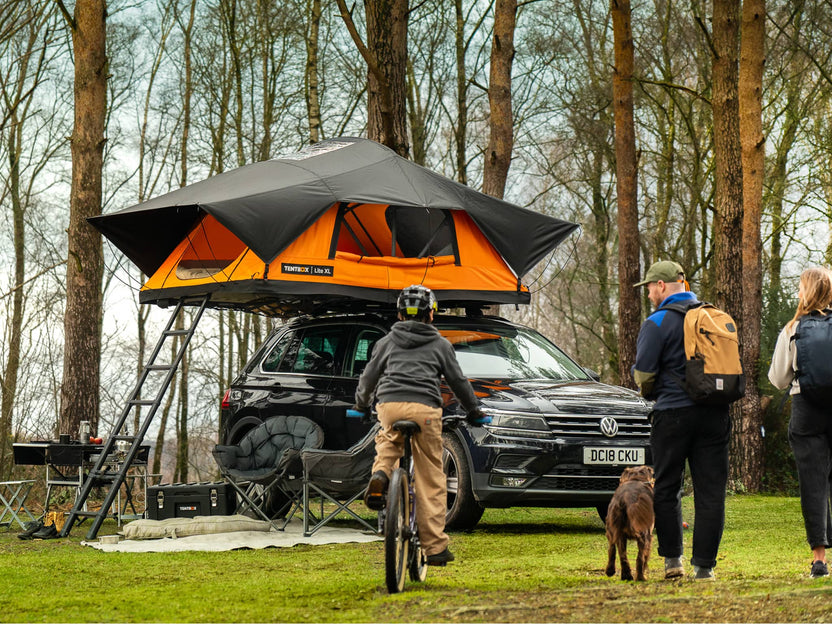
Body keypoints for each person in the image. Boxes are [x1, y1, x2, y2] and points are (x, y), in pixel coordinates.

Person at [353, 284, 485, 566]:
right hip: (425, 409)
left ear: (400, 314)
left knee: (388, 441)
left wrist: (361, 405)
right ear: (431, 315)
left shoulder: (386, 342)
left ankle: (380, 475)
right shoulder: (440, 344)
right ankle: (435, 547)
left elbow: (369, 377)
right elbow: (458, 382)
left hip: (390, 406)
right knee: (431, 478)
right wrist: (473, 410)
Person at [632, 260, 731, 581]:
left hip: (672, 415)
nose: (648, 293)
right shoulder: (711, 318)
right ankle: (705, 567)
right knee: (711, 491)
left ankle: (673, 562)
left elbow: (644, 375)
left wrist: (653, 391)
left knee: (668, 487)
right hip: (714, 414)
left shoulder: (657, 322)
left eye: (649, 287)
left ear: (661, 286)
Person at [768, 267, 832, 578]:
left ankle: (819, 559)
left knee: (813, 482)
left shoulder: (793, 329)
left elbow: (778, 379)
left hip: (807, 409)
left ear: (807, 292)